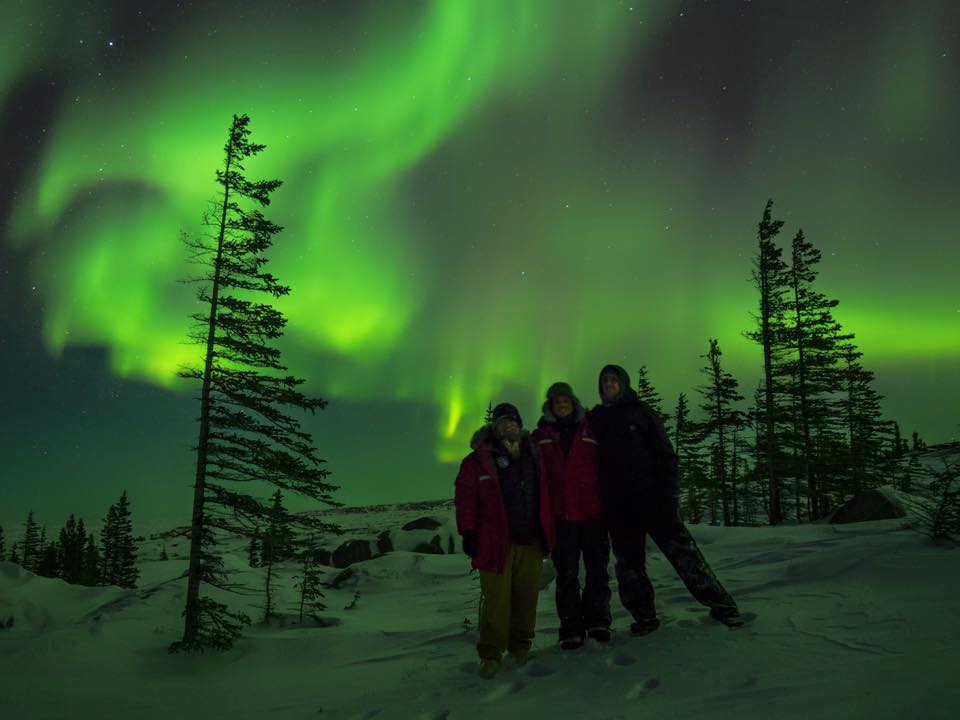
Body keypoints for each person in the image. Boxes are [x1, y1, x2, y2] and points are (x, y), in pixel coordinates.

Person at [587, 364, 743, 633]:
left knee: (686, 558)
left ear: (623, 383)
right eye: (605, 381)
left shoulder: (641, 413)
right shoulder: (596, 419)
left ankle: (723, 606)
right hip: (620, 509)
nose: (609, 384)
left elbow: (667, 457)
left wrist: (668, 497)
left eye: (614, 380)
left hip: (654, 503)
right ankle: (644, 618)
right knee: (629, 568)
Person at [455, 402, 556, 679]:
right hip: (495, 543)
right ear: (494, 428)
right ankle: (490, 654)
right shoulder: (476, 461)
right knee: (496, 601)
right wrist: (468, 532)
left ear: (519, 425)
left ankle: (520, 646)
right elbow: (465, 498)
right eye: (501, 422)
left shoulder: (535, 455)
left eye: (512, 421)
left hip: (531, 541)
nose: (507, 425)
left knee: (526, 598)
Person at [531, 382, 611, 649]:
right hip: (561, 518)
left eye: (566, 400)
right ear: (550, 406)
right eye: (557, 401)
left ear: (573, 402)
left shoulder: (591, 429)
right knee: (566, 575)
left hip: (593, 514)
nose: (562, 405)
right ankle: (571, 628)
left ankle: (598, 621)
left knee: (597, 571)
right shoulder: (540, 436)